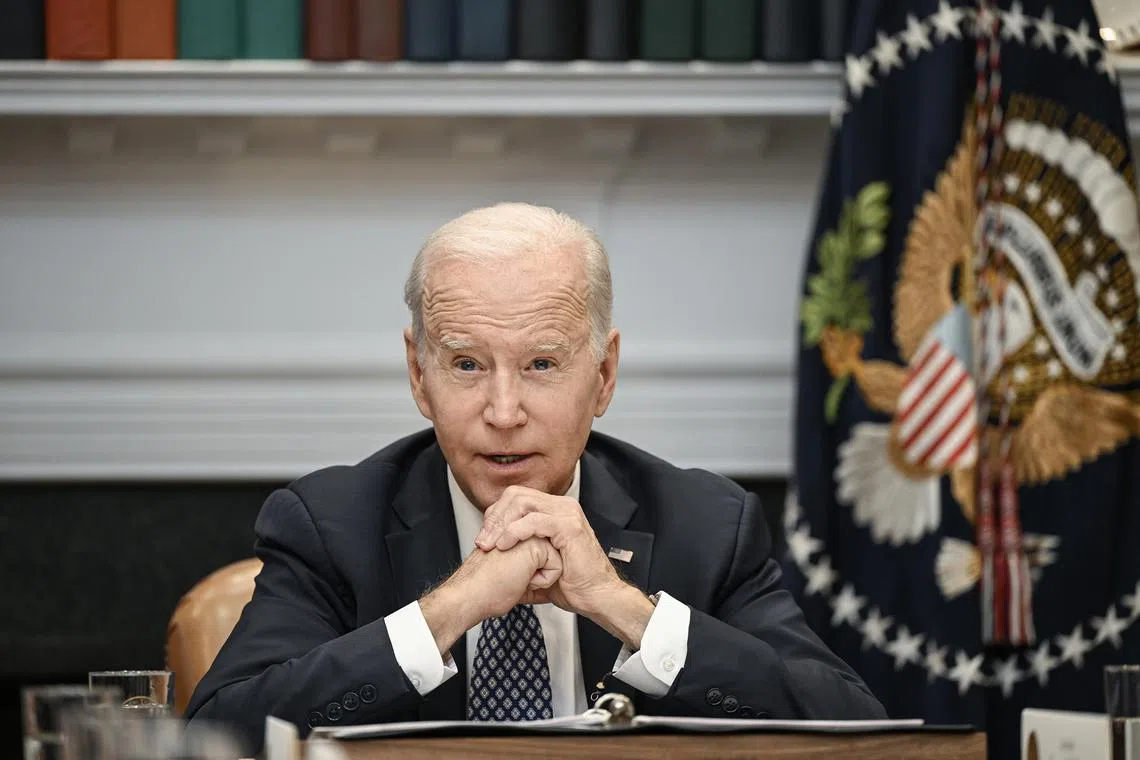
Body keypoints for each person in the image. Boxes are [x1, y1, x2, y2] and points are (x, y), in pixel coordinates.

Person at [185, 202, 886, 751]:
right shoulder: (332, 524)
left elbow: (852, 728)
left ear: (604, 374)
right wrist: (449, 610)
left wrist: (623, 608)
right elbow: (217, 735)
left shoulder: (705, 524)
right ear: (417, 373)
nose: (503, 412)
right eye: (466, 364)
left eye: (541, 365)